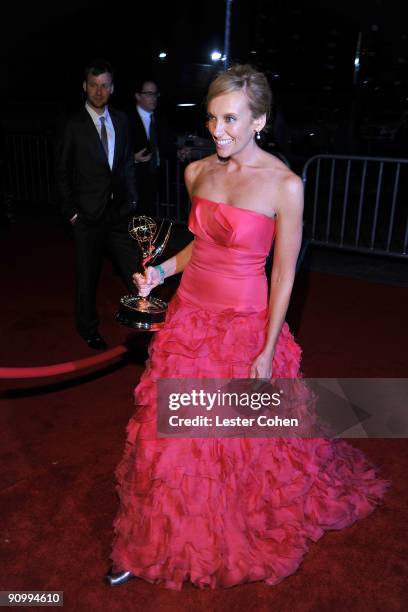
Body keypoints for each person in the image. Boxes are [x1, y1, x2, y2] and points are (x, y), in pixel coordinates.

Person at [107, 65, 389, 589]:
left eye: (231, 119)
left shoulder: (285, 185)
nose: (218, 130)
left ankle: (226, 530)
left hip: (244, 326)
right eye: (213, 118)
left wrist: (266, 347)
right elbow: (200, 245)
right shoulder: (197, 173)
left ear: (258, 120)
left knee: (236, 449)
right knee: (174, 441)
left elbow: (284, 272)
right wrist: (161, 272)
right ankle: (151, 542)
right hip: (189, 321)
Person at [55, 59, 138, 350]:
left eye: (104, 85)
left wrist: (131, 199)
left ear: (112, 88)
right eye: (93, 85)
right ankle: (88, 328)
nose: (99, 91)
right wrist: (72, 213)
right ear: (84, 87)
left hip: (118, 213)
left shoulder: (122, 120)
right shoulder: (73, 125)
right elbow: (62, 173)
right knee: (87, 277)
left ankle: (142, 319)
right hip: (86, 217)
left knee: (134, 268)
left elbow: (126, 162)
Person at [128, 79, 174, 216]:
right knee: (134, 220)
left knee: (150, 217)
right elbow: (116, 151)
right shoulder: (125, 120)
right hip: (133, 180)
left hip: (155, 178)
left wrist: (178, 152)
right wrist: (133, 158)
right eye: (149, 94)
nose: (153, 98)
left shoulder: (160, 119)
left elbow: (166, 145)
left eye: (155, 94)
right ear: (138, 96)